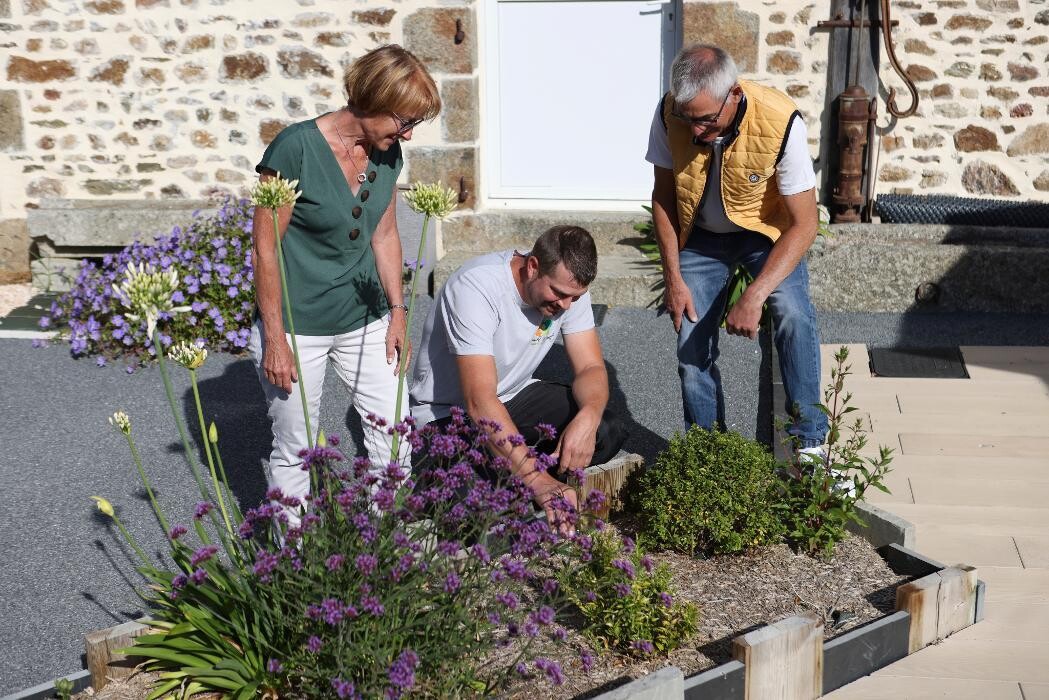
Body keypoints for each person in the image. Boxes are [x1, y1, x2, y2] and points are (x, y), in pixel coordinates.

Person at [249, 45, 440, 524]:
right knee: (296, 447)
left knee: (393, 437)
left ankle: (388, 549)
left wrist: (398, 312)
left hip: (366, 317)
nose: (409, 134)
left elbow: (386, 233)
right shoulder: (294, 149)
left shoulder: (387, 153)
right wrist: (274, 338)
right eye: (404, 120)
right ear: (372, 99)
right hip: (298, 325)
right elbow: (265, 249)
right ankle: (291, 564)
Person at [646, 43, 827, 454]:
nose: (695, 131)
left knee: (793, 314)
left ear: (735, 96)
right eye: (686, 118)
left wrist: (756, 294)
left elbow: (805, 224)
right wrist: (672, 279)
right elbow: (664, 199)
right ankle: (709, 455)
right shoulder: (667, 113)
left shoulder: (781, 121)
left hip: (765, 234)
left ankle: (811, 444)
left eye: (706, 120)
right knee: (690, 343)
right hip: (701, 236)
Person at [410, 226, 627, 527]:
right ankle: (518, 483)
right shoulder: (476, 287)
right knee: (478, 507)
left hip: (512, 396)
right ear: (533, 266)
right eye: (559, 294)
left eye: (574, 298)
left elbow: (591, 367)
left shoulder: (568, 291)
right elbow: (479, 402)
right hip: (448, 414)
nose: (565, 306)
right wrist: (538, 482)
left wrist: (588, 417)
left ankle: (515, 477)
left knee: (606, 429)